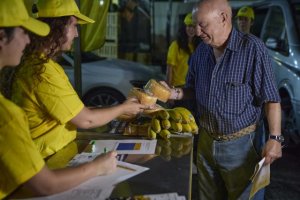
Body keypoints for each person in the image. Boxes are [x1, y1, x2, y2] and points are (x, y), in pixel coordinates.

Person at [164, 0, 282, 199]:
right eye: (195, 25)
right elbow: (193, 89)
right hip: (205, 143)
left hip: (241, 146)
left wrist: (275, 138)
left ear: (223, 18)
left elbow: (271, 97)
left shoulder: (252, 49)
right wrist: (174, 93)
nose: (198, 32)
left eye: (203, 25)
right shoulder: (200, 52)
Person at [0, 0, 118, 199]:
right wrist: (97, 167)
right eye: (23, 31)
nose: (28, 39)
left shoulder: (34, 66)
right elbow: (45, 185)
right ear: (2, 38)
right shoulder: (9, 112)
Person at [1, 0, 147, 159]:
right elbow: (86, 120)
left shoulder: (45, 64)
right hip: (45, 159)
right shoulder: (42, 71)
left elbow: (76, 111)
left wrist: (121, 110)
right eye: (73, 26)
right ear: (58, 27)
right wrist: (123, 109)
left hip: (56, 153)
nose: (76, 34)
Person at [166, 13, 200, 88]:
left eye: (194, 27)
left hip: (193, 86)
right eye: (189, 26)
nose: (191, 29)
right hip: (178, 87)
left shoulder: (199, 46)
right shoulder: (176, 45)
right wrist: (169, 92)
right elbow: (169, 69)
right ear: (184, 27)